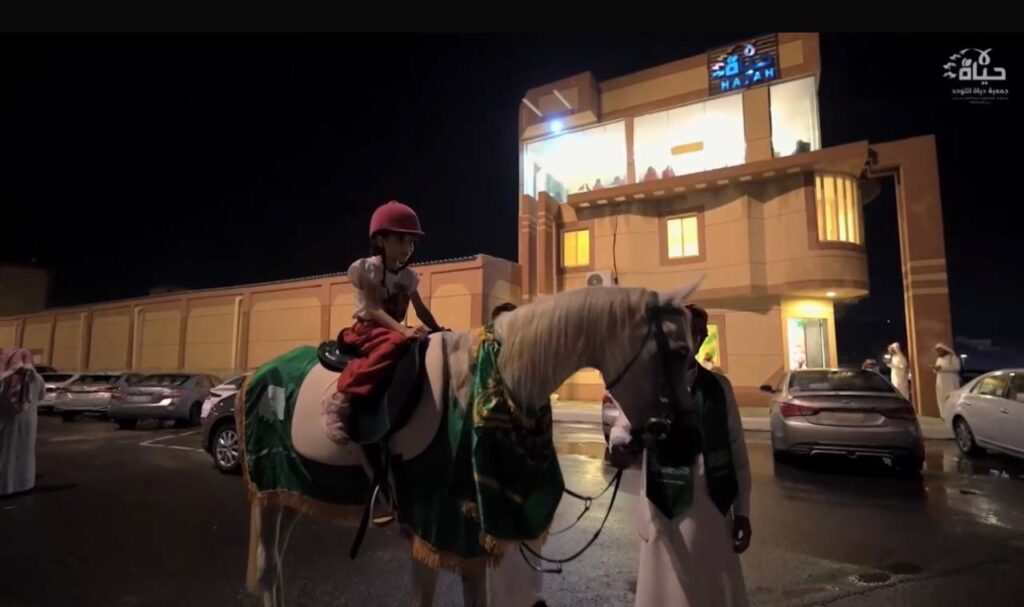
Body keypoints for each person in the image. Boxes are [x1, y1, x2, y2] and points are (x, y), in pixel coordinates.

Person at [609, 304, 752, 607]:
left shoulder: (718, 388)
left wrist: (742, 511)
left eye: (700, 333)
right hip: (664, 511)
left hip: (712, 512)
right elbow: (622, 428)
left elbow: (737, 451)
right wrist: (621, 446)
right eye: (688, 331)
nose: (694, 339)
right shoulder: (648, 385)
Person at [322, 200, 442, 445]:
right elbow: (372, 308)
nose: (407, 247)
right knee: (396, 342)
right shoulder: (371, 268)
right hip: (368, 329)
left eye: (411, 241)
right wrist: (403, 330)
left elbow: (421, 310)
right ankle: (340, 400)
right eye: (400, 240)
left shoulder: (409, 277)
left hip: (391, 330)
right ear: (380, 241)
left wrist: (439, 330)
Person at [0, 348, 45, 496]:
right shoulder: (37, 379)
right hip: (28, 424)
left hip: (6, 423)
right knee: (24, 455)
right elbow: (41, 396)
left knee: (5, 455)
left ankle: (5, 487)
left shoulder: (4, 378)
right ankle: (24, 484)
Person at [933, 343, 961, 420]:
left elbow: (957, 368)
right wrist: (935, 369)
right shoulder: (939, 359)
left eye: (940, 350)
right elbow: (937, 370)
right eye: (937, 350)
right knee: (941, 398)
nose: (939, 352)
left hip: (950, 381)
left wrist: (943, 369)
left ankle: (952, 415)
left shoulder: (953, 358)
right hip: (940, 381)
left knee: (951, 397)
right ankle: (943, 415)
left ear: (945, 349)